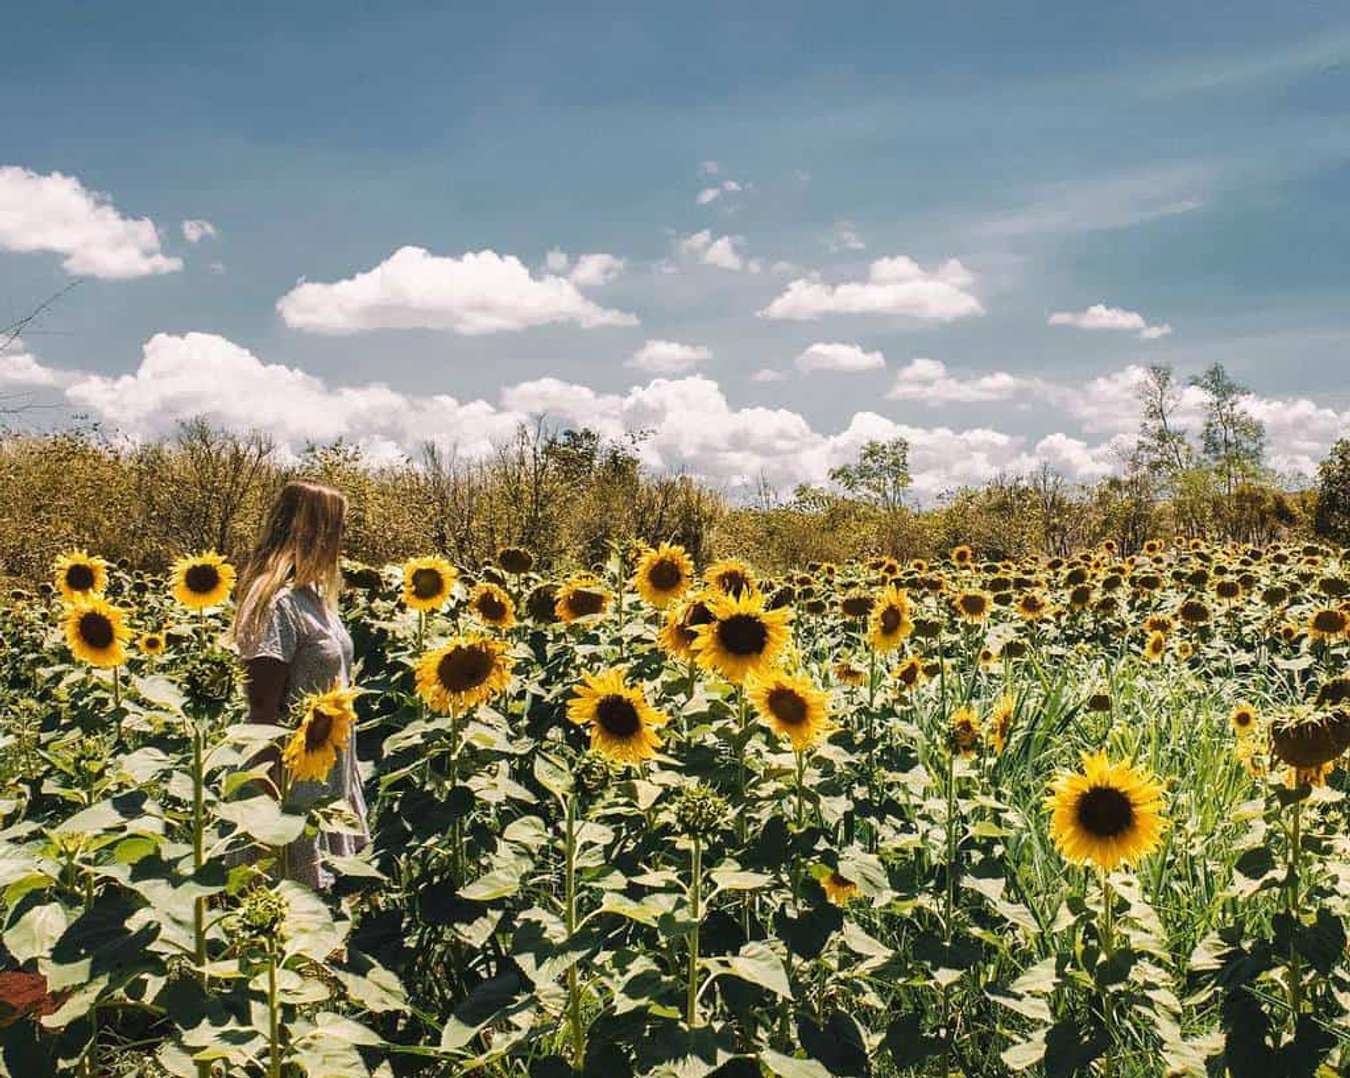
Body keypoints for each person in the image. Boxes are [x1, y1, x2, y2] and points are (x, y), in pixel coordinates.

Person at [232, 480, 369, 889]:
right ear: (313, 531)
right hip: (293, 790)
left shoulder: (315, 600)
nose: (341, 541)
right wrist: (266, 812)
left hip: (330, 778)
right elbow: (262, 707)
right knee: (292, 911)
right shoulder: (278, 604)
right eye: (337, 529)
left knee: (327, 917)